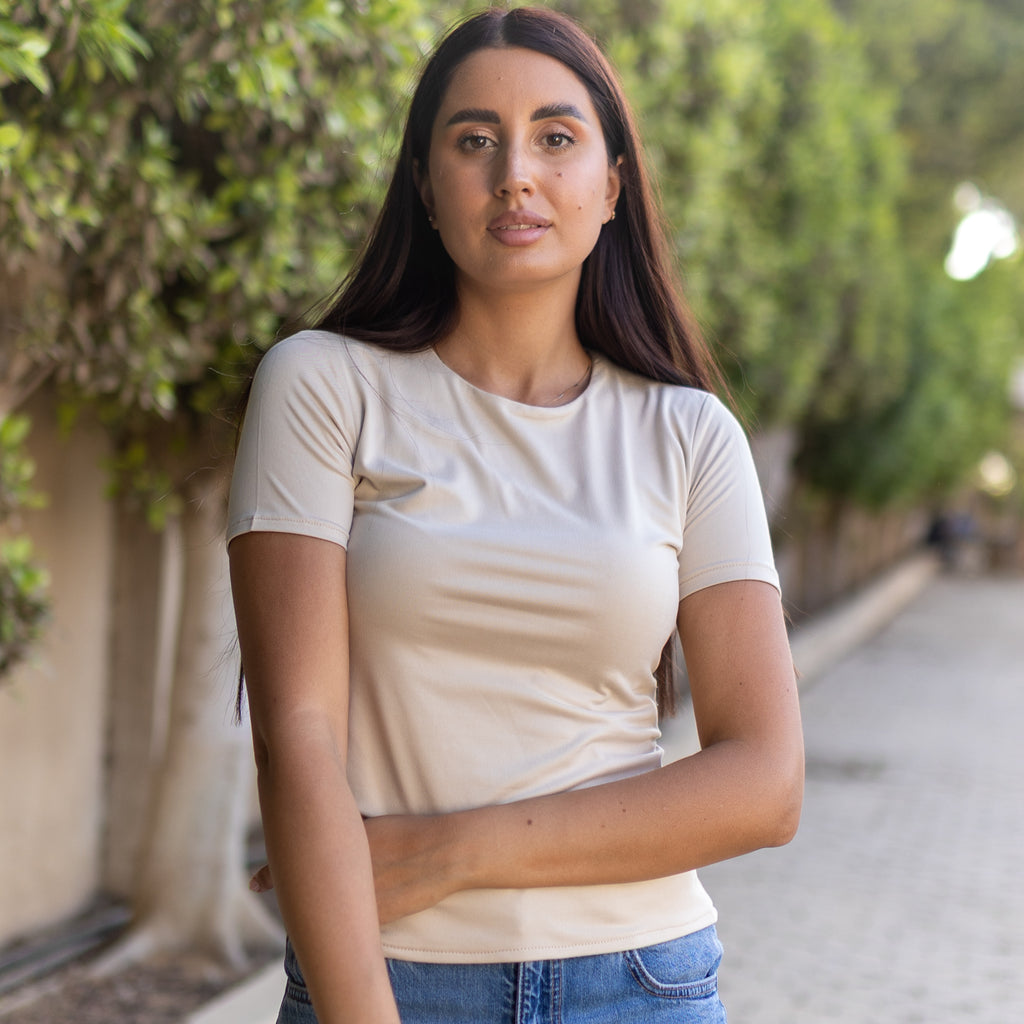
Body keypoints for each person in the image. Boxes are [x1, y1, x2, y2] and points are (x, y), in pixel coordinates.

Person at [226, 6, 804, 1022]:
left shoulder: (690, 434)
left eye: (555, 136)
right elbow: (296, 735)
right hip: (387, 975)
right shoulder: (325, 387)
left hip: (640, 981)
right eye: (473, 139)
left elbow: (765, 781)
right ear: (424, 181)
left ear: (612, 186)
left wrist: (453, 853)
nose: (515, 175)